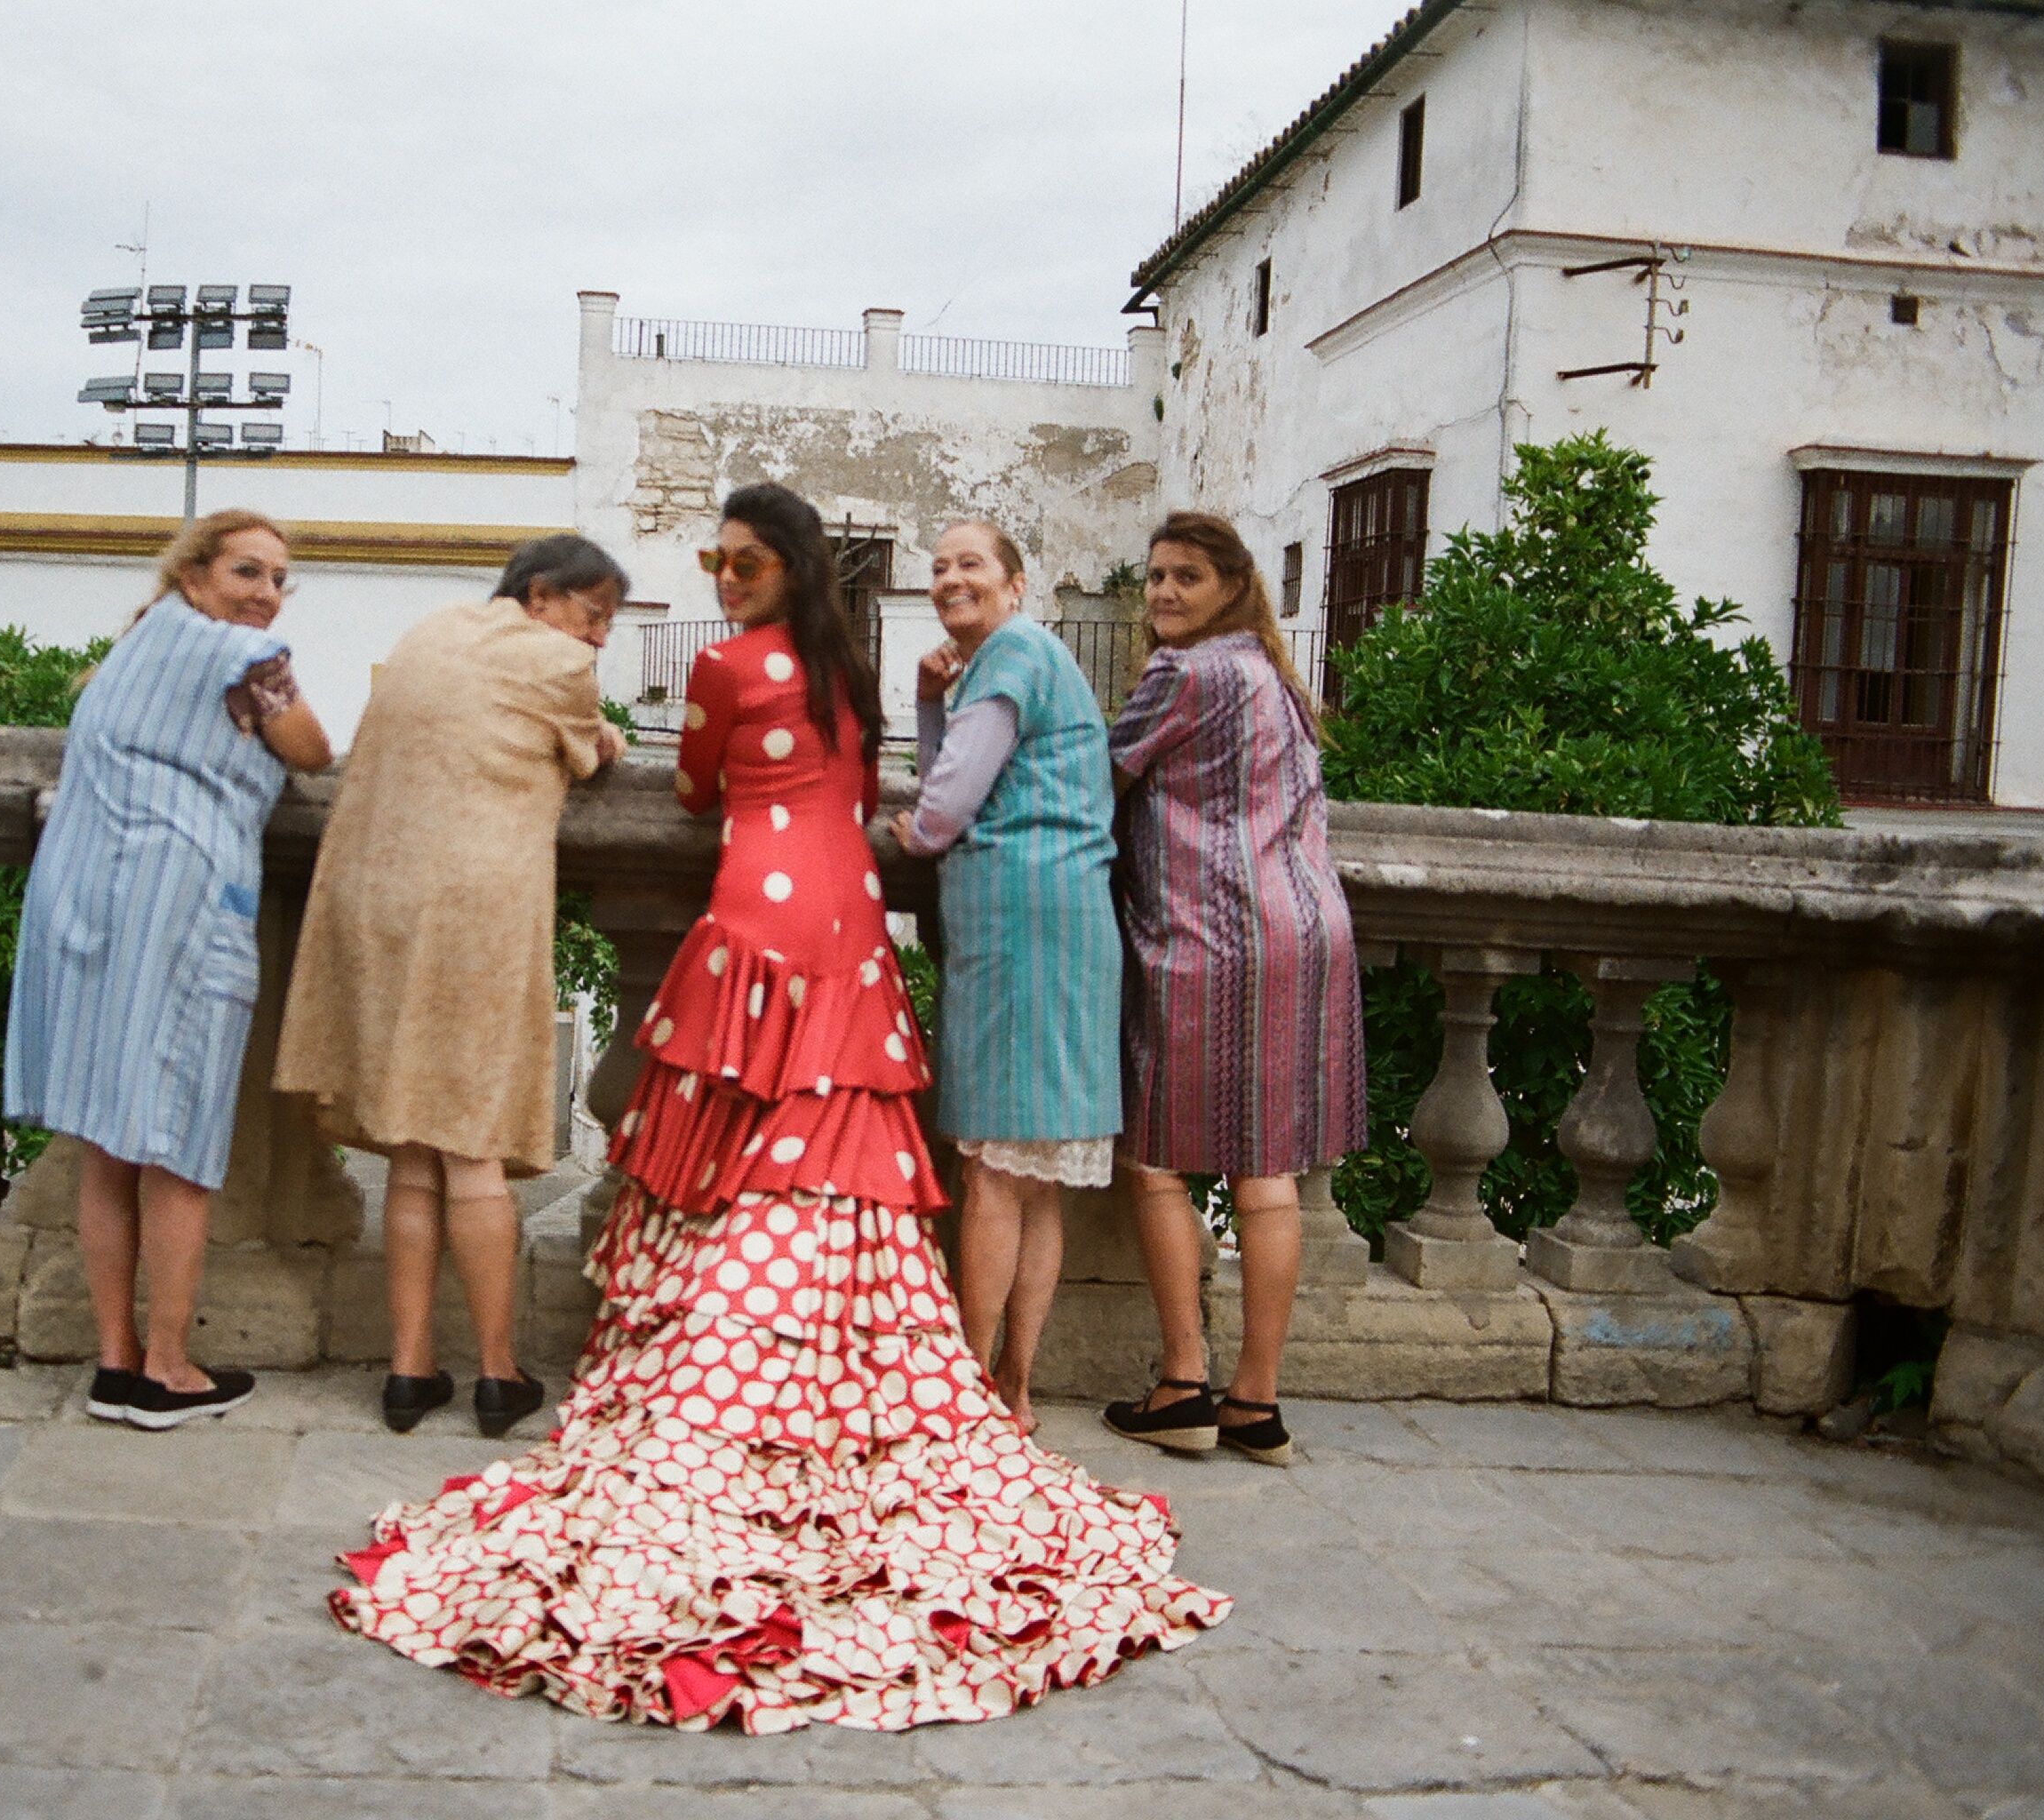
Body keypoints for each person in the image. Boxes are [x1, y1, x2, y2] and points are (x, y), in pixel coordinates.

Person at [331, 483, 1226, 1733]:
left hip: (756, 914)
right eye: (716, 560)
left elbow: (696, 791)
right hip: (851, 919)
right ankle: (886, 1373)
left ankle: (724, 1360)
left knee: (739, 1138)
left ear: (781, 567)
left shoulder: (722, 666)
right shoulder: (845, 671)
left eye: (738, 562)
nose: (722, 576)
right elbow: (874, 782)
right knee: (855, 1136)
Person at [275, 534, 629, 1438]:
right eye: (594, 616)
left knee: (409, 1145)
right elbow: (593, 752)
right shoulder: (554, 660)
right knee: (472, 1144)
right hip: (473, 913)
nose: (596, 640)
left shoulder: (431, 627)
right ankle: (497, 1373)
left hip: (378, 903)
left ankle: (407, 1370)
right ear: (543, 595)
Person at [3, 509, 332, 1432]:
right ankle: (169, 1368)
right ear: (194, 574)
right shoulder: (237, 653)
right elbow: (312, 747)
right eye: (246, 571)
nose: (264, 593)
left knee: (108, 1142)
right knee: (179, 1145)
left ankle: (114, 1363)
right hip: (178, 906)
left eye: (276, 580)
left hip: (86, 903)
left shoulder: (140, 645)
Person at [1098, 511, 1365, 1467]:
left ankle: (1182, 1382)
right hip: (1304, 934)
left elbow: (1100, 772)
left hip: (1208, 935)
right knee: (1268, 1172)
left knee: (1159, 1157)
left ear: (1228, 586)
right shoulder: (1272, 675)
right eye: (1156, 577)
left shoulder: (1184, 673)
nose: (1165, 593)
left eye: (1187, 578)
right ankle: (1257, 1400)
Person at [890, 521, 1121, 1434]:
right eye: (939, 566)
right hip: (1068, 920)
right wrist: (926, 700)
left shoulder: (1012, 653)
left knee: (989, 1166)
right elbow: (970, 761)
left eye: (970, 564)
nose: (950, 577)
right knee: (1035, 1177)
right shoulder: (1026, 658)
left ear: (1016, 583)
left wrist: (915, 834)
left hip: (1017, 923)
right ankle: (1010, 1388)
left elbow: (945, 801)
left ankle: (967, 1390)